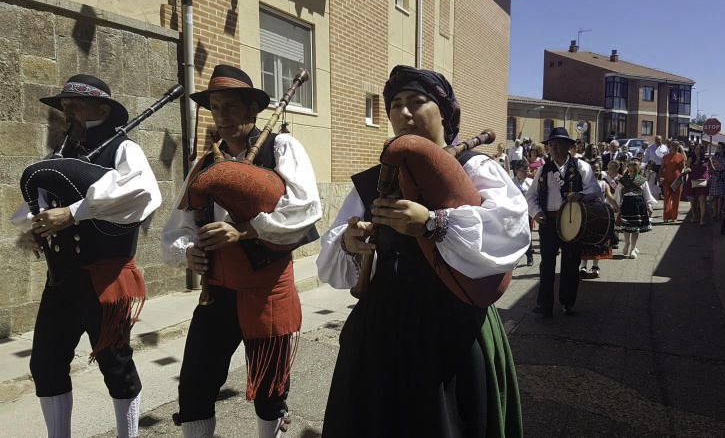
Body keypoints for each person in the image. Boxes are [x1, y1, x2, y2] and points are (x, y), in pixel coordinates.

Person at [316, 65, 527, 437]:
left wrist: (433, 223)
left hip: (452, 330)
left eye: (417, 102)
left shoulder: (475, 167)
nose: (404, 113)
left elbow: (509, 232)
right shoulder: (374, 180)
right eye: (395, 105)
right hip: (382, 330)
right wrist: (351, 244)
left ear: (445, 113)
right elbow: (332, 259)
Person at [162, 65, 322, 437]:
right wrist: (188, 251)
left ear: (252, 111)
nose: (223, 116)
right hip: (216, 293)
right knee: (195, 387)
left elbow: (306, 210)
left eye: (232, 106)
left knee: (269, 391)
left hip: (267, 291)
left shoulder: (281, 148)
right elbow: (177, 229)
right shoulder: (203, 165)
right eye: (216, 107)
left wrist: (245, 231)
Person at [11, 74, 162, 438]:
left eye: (75, 104)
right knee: (46, 365)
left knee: (115, 365)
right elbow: (39, 200)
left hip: (104, 280)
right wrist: (37, 227)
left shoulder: (124, 150)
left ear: (102, 109)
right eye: (64, 106)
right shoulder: (61, 154)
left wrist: (74, 212)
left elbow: (140, 194)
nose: (68, 111)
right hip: (61, 281)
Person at [527, 127, 602, 317]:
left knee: (570, 263)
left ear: (568, 146)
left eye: (557, 144)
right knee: (547, 264)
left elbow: (595, 191)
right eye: (551, 145)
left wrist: (580, 195)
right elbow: (531, 196)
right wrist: (536, 213)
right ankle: (544, 305)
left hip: (573, 221)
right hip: (549, 222)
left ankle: (567, 303)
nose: (553, 148)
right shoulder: (543, 169)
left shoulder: (581, 166)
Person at [580, 160, 618, 278]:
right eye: (592, 169)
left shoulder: (603, 184)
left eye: (597, 169)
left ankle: (595, 266)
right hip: (586, 215)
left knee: (598, 241)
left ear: (600, 170)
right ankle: (583, 265)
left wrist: (615, 205)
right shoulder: (583, 184)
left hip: (600, 215)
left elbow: (609, 196)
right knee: (585, 241)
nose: (595, 171)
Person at [615, 159, 657, 258]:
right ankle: (627, 243)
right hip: (626, 204)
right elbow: (618, 193)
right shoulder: (624, 180)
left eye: (634, 170)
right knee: (626, 226)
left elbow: (647, 194)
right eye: (630, 170)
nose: (632, 172)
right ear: (628, 169)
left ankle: (633, 248)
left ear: (638, 170)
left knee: (636, 228)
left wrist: (649, 205)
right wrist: (617, 205)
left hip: (638, 205)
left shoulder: (641, 180)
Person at [512, 160, 535, 266]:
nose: (526, 173)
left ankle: (530, 256)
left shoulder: (530, 182)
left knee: (527, 234)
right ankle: (515, 259)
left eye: (527, 170)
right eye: (523, 171)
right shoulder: (511, 183)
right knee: (516, 236)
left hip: (527, 214)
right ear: (517, 171)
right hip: (515, 214)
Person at [660, 140, 686, 223]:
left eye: (675, 146)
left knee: (676, 199)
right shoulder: (665, 157)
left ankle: (674, 217)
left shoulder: (681, 157)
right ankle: (666, 217)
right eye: (672, 145)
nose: (674, 147)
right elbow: (661, 168)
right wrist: (660, 177)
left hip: (677, 180)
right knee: (666, 198)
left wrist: (683, 176)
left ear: (678, 147)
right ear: (670, 146)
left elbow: (683, 169)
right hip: (667, 180)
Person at [686, 143, 711, 225]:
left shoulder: (707, 159)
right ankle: (694, 215)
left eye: (699, 149)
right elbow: (687, 167)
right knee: (693, 201)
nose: (697, 150)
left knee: (702, 200)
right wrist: (688, 169)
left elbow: (712, 169)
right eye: (696, 148)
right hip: (692, 180)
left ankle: (702, 219)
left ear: (702, 150)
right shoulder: (691, 158)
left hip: (702, 181)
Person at [708, 142, 725, 220]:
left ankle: (719, 213)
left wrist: (720, 167)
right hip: (715, 177)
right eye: (718, 147)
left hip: (724, 177)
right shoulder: (714, 157)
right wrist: (716, 170)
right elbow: (711, 167)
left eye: (720, 148)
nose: (718, 149)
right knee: (715, 197)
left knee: (722, 196)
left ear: (724, 149)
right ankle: (715, 213)